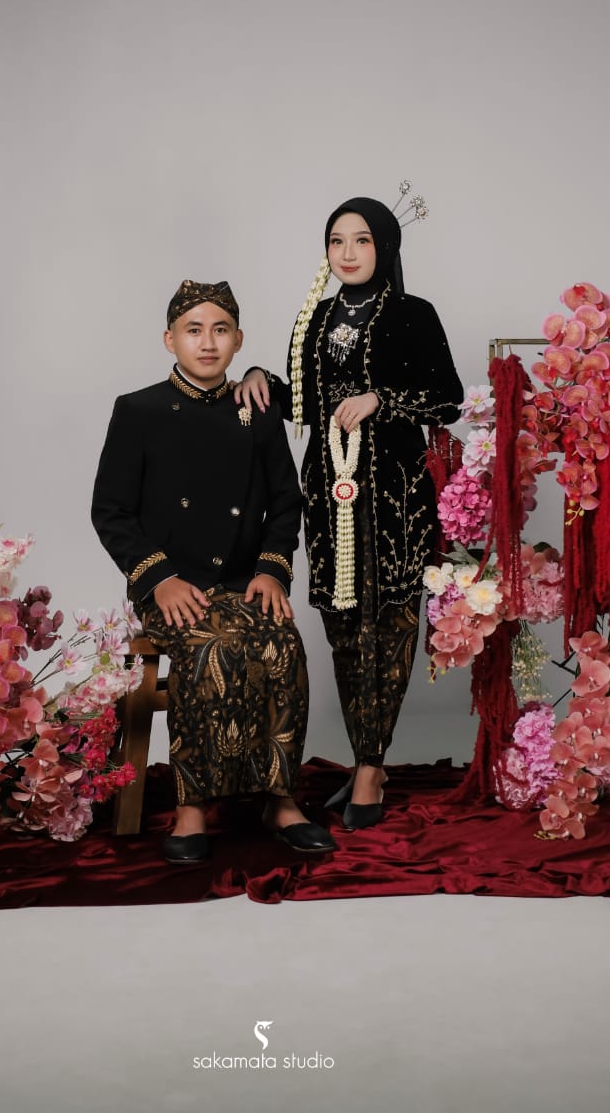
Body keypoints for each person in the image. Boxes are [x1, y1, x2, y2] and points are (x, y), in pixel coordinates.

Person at [237, 197, 463, 829]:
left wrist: (379, 399)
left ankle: (369, 766)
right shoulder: (314, 317)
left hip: (394, 491)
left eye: (361, 240)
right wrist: (258, 376)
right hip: (329, 489)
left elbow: (447, 398)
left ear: (385, 247)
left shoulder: (414, 313)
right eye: (336, 240)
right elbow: (304, 404)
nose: (347, 252)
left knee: (389, 620)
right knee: (342, 621)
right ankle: (368, 756)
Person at [91, 279, 335, 863]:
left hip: (243, 583)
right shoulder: (138, 410)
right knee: (210, 649)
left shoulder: (256, 410)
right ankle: (193, 807)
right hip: (171, 586)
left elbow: (287, 501)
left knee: (284, 645)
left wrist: (273, 570)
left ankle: (280, 799)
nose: (207, 342)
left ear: (238, 339)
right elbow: (111, 510)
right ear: (169, 340)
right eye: (193, 330)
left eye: (220, 330)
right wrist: (159, 579)